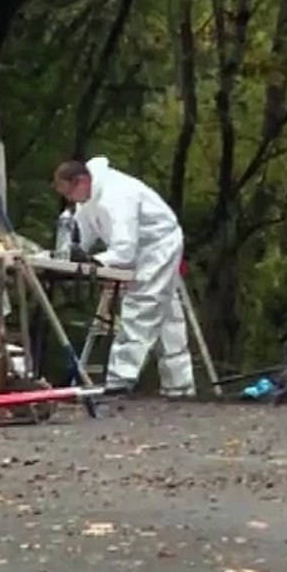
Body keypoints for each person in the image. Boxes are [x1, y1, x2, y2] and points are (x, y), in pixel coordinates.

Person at [52, 157, 196, 398]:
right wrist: (71, 255)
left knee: (142, 305)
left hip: (157, 246)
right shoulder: (88, 201)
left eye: (70, 192)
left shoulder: (117, 196)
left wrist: (98, 261)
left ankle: (120, 378)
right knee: (167, 313)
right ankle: (180, 384)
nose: (70, 199)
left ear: (82, 181)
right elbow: (81, 238)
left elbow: (124, 249)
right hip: (141, 247)